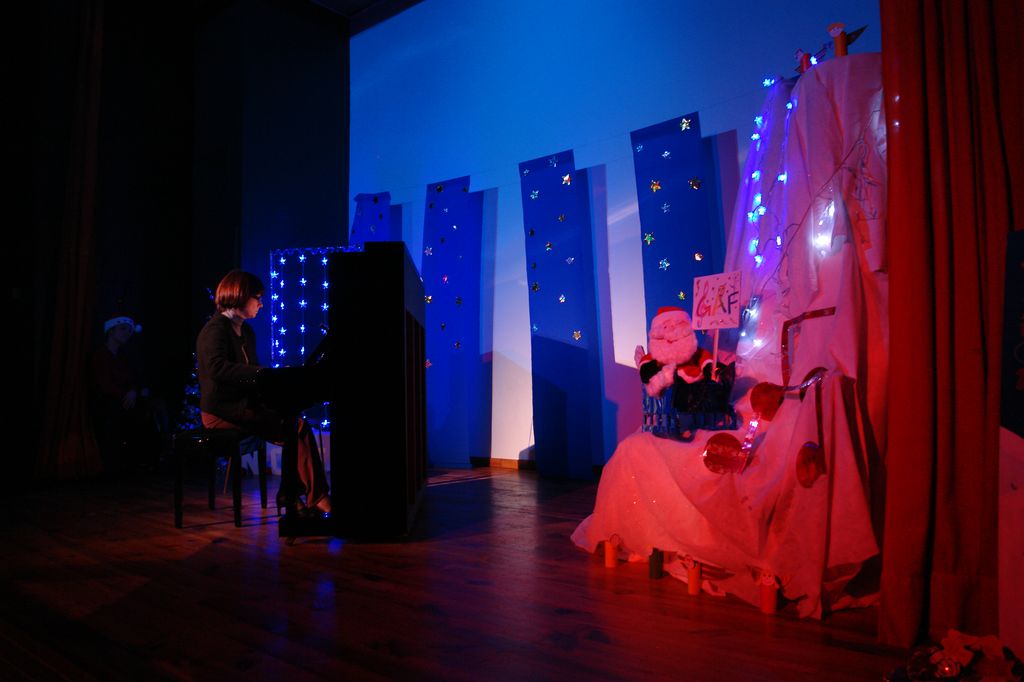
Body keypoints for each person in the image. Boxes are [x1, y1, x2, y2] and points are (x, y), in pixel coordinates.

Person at [196, 270, 331, 516]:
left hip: (243, 407)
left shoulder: (246, 332)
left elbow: (252, 372)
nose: (261, 303)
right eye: (257, 297)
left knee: (294, 424)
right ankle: (310, 497)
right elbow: (218, 369)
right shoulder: (215, 330)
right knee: (295, 427)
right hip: (222, 411)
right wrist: (264, 375)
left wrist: (274, 377)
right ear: (240, 295)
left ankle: (294, 495)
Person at [92, 314, 164, 472]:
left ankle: (151, 457)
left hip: (125, 401)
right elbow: (105, 385)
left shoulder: (123, 356)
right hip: (108, 402)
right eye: (123, 329)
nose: (127, 333)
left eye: (130, 331)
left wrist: (133, 391)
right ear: (111, 331)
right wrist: (127, 394)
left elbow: (132, 379)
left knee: (154, 406)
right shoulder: (101, 355)